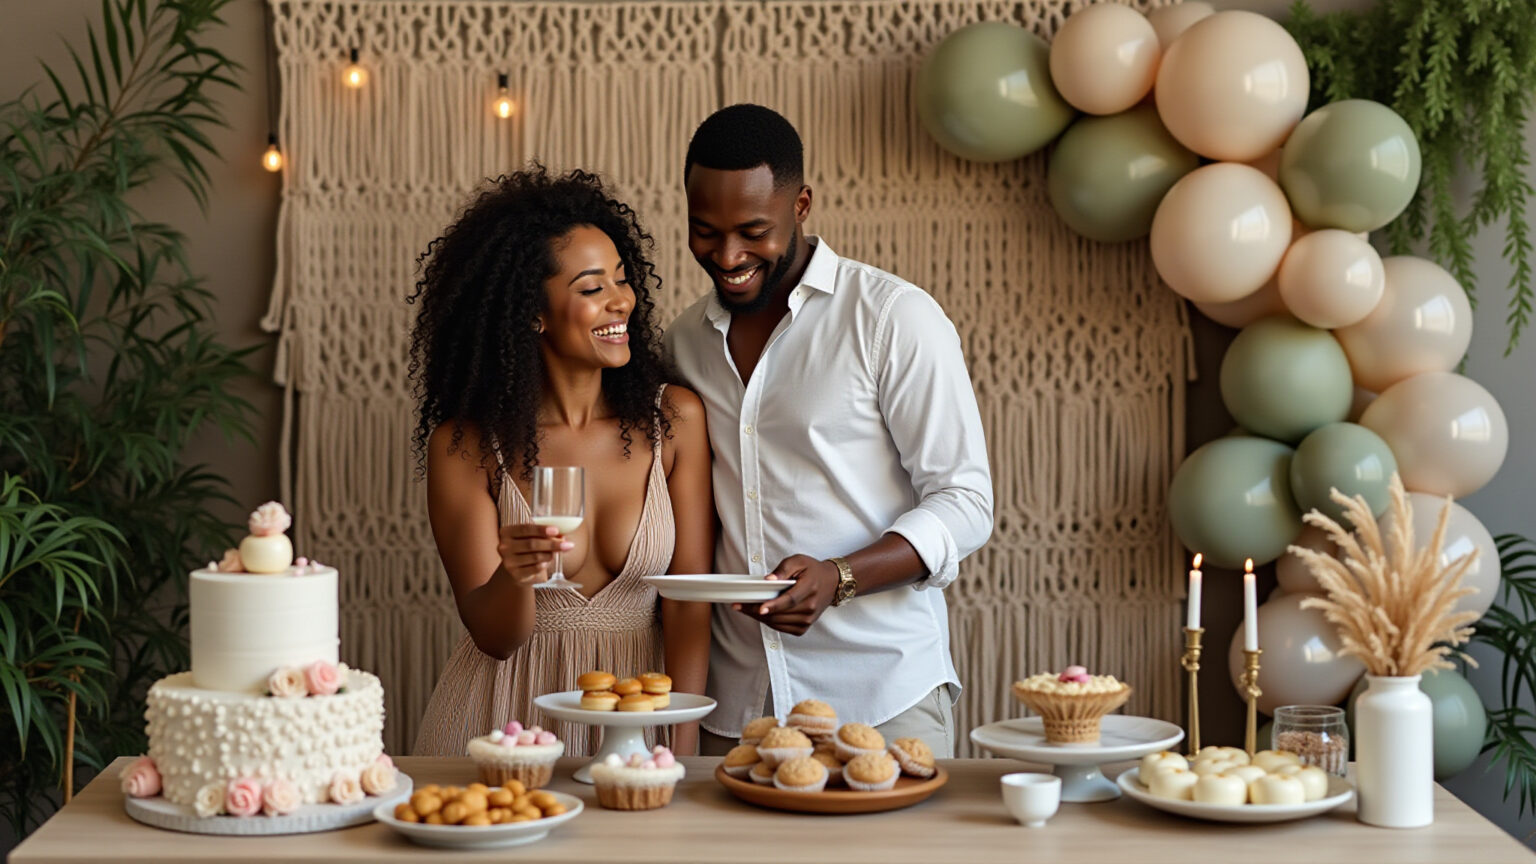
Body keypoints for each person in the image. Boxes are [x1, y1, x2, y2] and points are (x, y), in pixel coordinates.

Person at [665, 105, 994, 757]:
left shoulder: (892, 318)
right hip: (735, 705)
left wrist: (840, 575)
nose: (727, 256)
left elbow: (966, 503)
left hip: (882, 696)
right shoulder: (684, 342)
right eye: (705, 232)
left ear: (802, 204)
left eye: (752, 231)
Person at [408, 166, 714, 757]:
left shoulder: (674, 421)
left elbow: (688, 598)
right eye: (592, 288)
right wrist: (514, 572)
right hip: (505, 716)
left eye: (622, 280)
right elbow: (495, 638)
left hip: (639, 715)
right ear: (533, 312)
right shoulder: (466, 446)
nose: (621, 300)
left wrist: (682, 734)